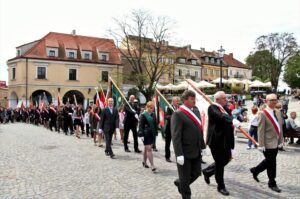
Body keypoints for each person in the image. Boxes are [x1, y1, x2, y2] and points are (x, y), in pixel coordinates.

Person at [202, 91, 240, 196]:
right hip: (216, 141)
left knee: (227, 159)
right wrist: (232, 120)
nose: (226, 100)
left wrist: (235, 119)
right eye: (224, 98)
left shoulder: (226, 108)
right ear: (217, 99)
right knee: (219, 163)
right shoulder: (212, 108)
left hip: (226, 140)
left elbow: (229, 116)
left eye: (226, 98)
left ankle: (208, 171)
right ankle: (221, 186)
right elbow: (220, 116)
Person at [171, 90, 205, 199]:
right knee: (185, 178)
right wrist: (178, 154)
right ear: (185, 100)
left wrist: (203, 146)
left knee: (197, 173)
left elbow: (200, 130)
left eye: (194, 98)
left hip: (196, 150)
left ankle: (180, 183)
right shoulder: (178, 114)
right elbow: (176, 136)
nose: (194, 101)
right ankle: (186, 194)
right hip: (184, 152)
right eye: (191, 98)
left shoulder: (196, 111)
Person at [250, 93, 283, 193]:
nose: (274, 101)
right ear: (266, 101)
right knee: (272, 163)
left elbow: (279, 127)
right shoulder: (262, 113)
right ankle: (272, 182)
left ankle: (255, 170)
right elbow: (260, 130)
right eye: (272, 100)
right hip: (267, 143)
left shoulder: (277, 112)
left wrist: (280, 141)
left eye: (275, 100)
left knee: (269, 161)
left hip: (276, 142)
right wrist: (261, 144)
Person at [138, 101, 158, 172]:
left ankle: (144, 161)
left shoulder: (153, 114)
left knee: (146, 149)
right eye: (151, 108)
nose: (152, 109)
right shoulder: (143, 115)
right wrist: (141, 135)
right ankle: (152, 165)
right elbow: (140, 126)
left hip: (151, 134)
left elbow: (155, 124)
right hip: (145, 134)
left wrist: (156, 133)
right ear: (147, 107)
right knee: (149, 149)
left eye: (153, 108)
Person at [164, 97, 179, 162]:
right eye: (176, 101)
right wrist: (174, 115)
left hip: (177, 129)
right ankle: (167, 156)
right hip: (169, 129)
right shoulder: (169, 108)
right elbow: (166, 117)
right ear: (173, 102)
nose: (178, 103)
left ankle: (178, 156)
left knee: (177, 144)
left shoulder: (179, 108)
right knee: (168, 143)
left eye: (178, 101)